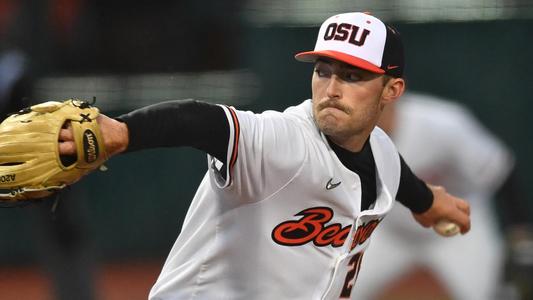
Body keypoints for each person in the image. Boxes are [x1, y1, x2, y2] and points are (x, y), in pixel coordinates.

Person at [57, 12, 470, 299]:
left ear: (392, 90)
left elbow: (393, 170)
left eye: (352, 76)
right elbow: (202, 121)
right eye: (323, 70)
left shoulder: (380, 151)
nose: (331, 88)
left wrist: (428, 203)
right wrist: (125, 132)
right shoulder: (283, 140)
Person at [353, 92, 522, 300]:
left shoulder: (443, 125)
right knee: (336, 291)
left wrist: (520, 230)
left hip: (459, 231)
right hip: (389, 231)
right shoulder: (340, 137)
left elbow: (498, 169)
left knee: (485, 295)